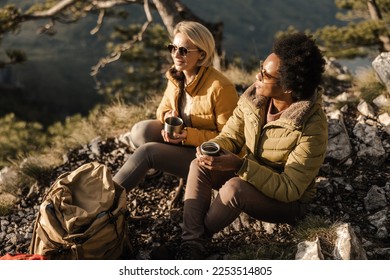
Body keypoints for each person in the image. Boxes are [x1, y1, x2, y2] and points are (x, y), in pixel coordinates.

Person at [177, 32, 328, 259]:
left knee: (234, 188)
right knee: (199, 166)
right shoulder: (254, 99)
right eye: (261, 67)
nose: (258, 75)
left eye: (266, 75)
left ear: (288, 87)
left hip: (287, 203)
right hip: (253, 176)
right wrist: (213, 147)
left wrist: (240, 166)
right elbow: (231, 135)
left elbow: (290, 189)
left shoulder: (312, 127)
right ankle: (192, 243)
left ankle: (195, 240)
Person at [113, 21, 238, 191]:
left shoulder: (221, 88)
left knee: (148, 152)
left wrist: (187, 135)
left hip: (204, 155)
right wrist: (167, 117)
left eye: (183, 51)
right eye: (173, 48)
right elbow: (162, 109)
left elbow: (229, 141)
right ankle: (158, 167)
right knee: (141, 131)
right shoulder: (177, 75)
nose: (176, 55)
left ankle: (106, 204)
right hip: (180, 140)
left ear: (201, 55)